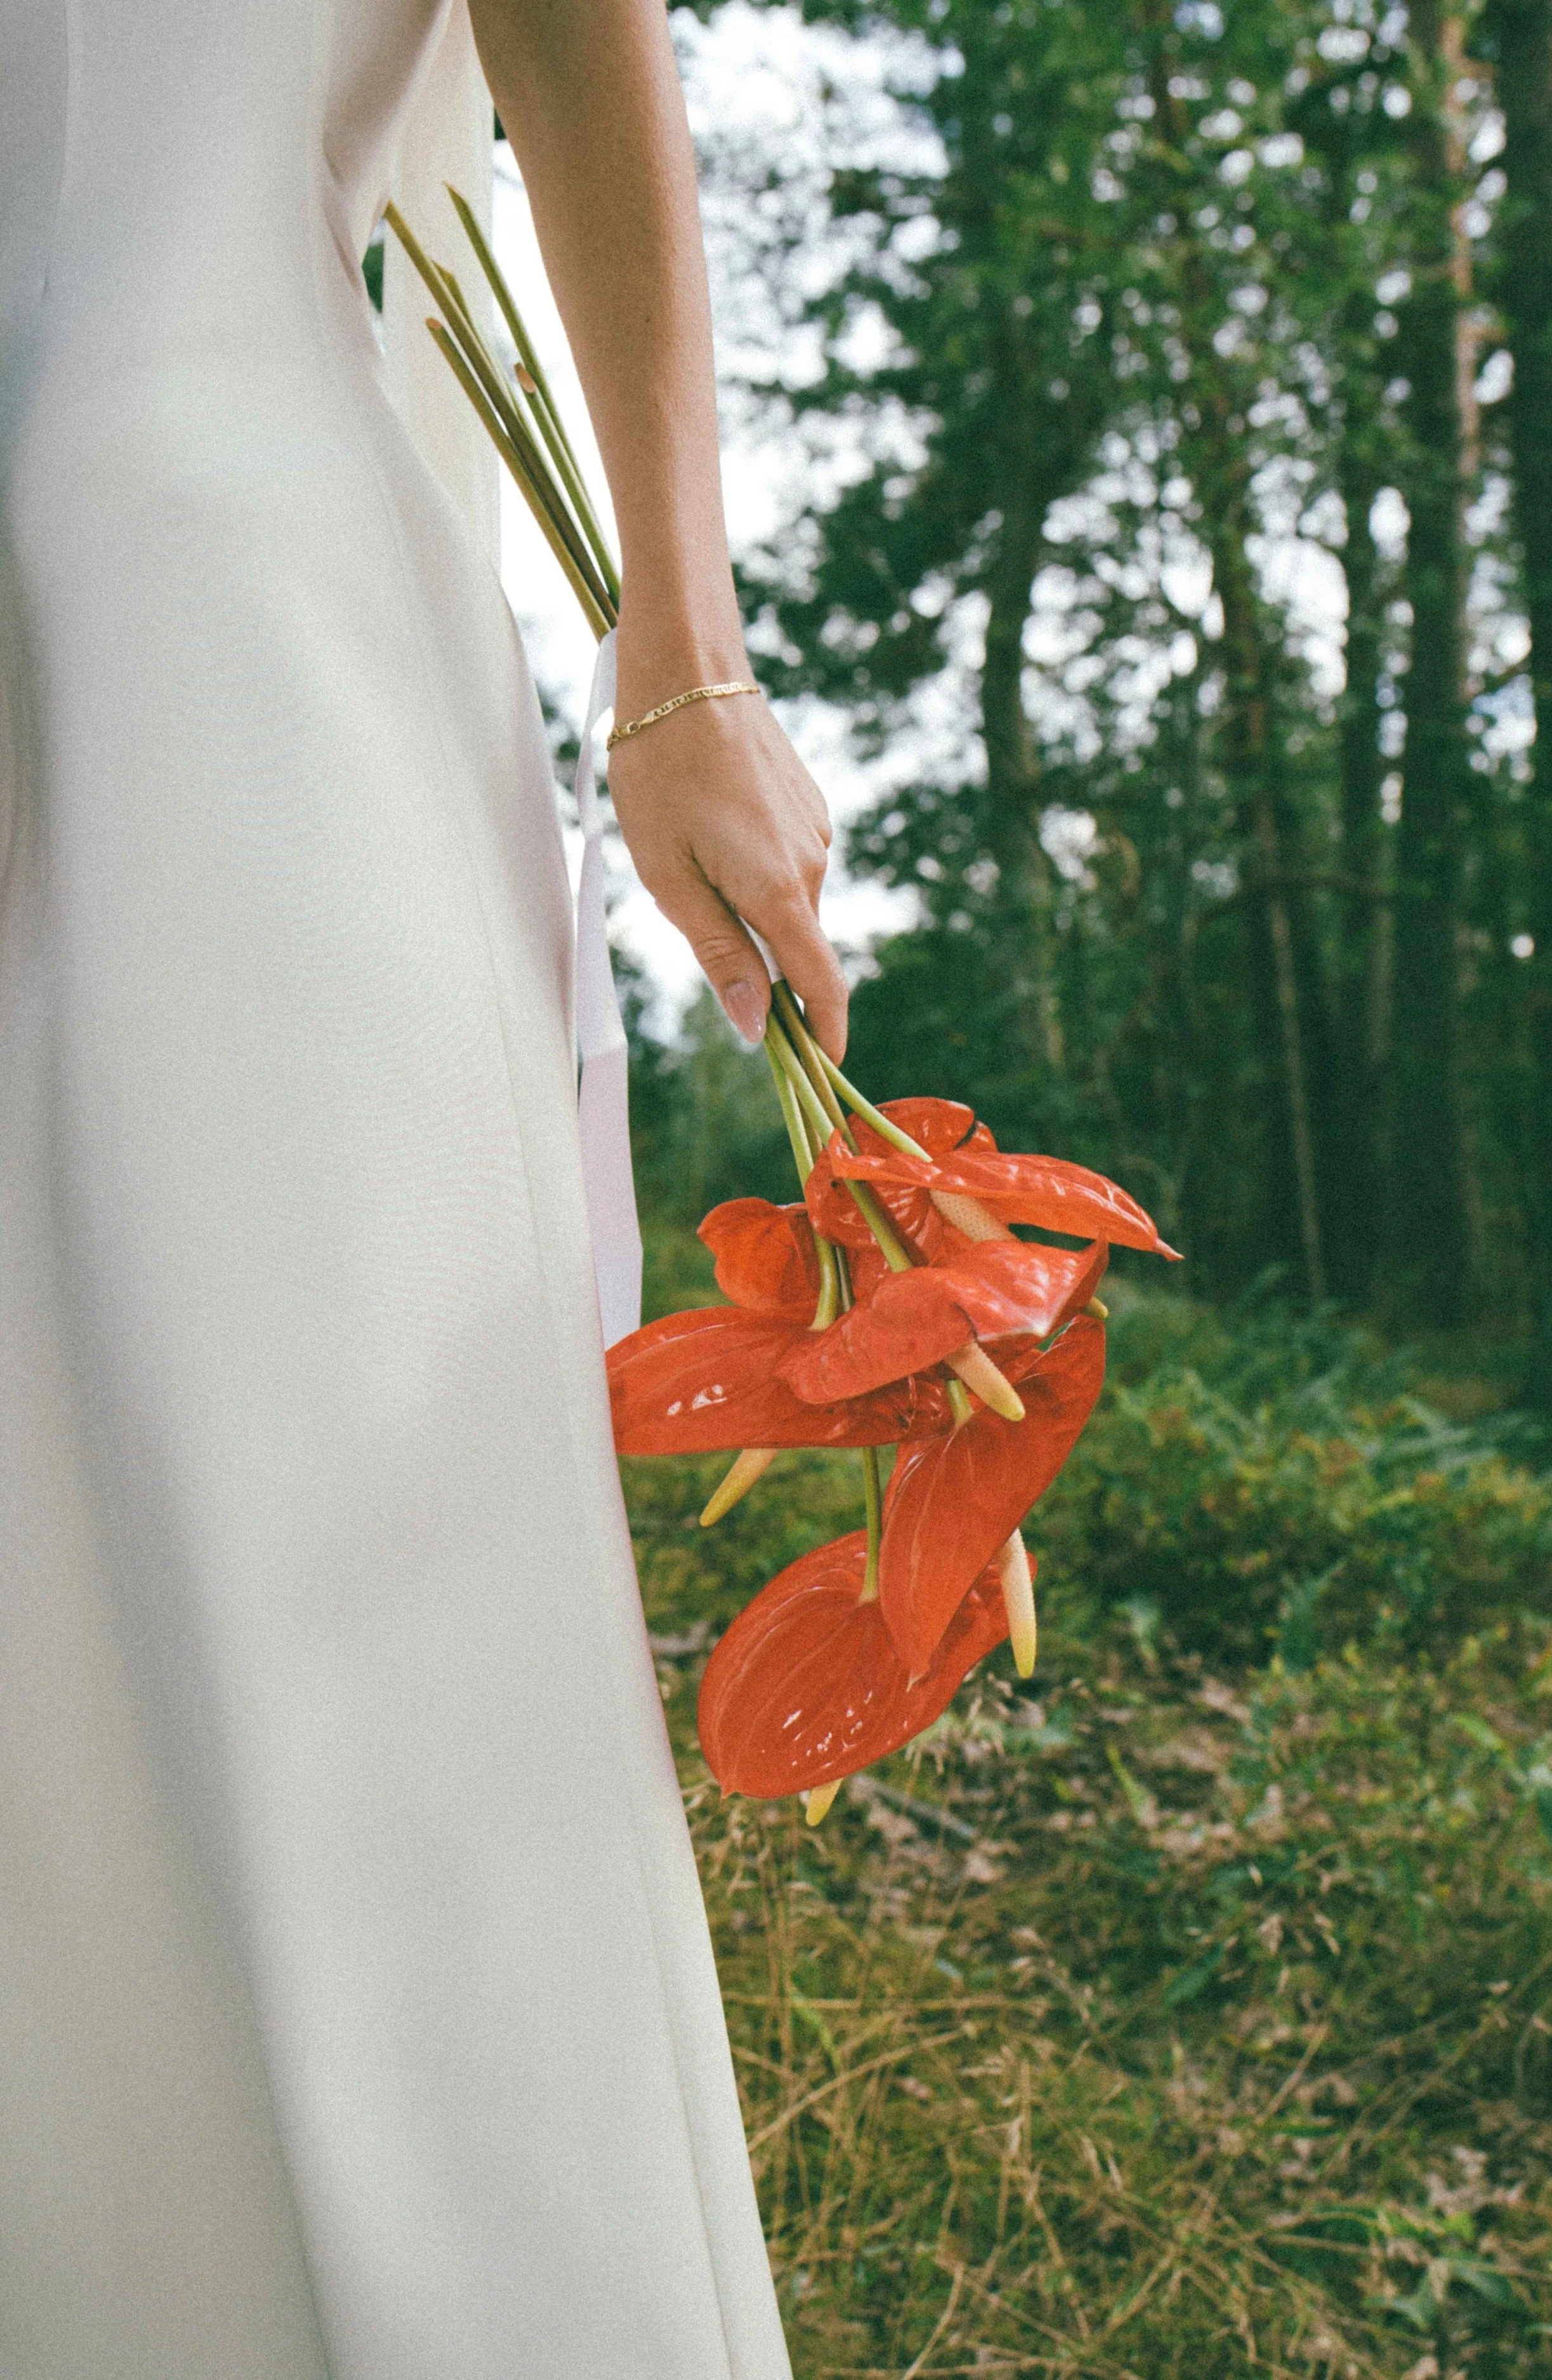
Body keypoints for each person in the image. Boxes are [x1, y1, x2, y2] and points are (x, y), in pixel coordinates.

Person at [0, 1, 845, 2372]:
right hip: (172, 539)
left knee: (347, 1532)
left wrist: (681, 658)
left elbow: (577, 33)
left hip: (216, 581)